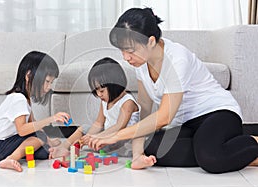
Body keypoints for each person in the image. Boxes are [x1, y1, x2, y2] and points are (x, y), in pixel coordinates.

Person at [88, 8, 258, 173]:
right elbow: (145, 111)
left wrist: (117, 135)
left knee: (210, 159)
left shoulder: (177, 59)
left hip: (217, 113)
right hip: (186, 124)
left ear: (151, 41)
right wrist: (138, 154)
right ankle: (218, 148)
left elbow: (164, 117)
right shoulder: (141, 63)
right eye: (122, 51)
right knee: (152, 147)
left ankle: (249, 144)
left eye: (130, 51)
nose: (126, 58)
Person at [49, 57, 156, 169]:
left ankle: (138, 157)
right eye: (96, 91)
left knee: (138, 136)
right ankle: (64, 147)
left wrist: (97, 136)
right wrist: (90, 136)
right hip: (107, 139)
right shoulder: (105, 101)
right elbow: (99, 123)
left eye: (101, 91)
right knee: (83, 128)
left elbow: (119, 127)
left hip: (123, 141)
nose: (99, 94)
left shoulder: (127, 102)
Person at [0, 51, 70, 172]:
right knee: (38, 139)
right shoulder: (18, 98)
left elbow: (34, 127)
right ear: (29, 76)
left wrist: (50, 142)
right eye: (47, 81)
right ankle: (10, 158)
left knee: (40, 148)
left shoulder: (26, 100)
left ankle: (49, 152)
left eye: (51, 82)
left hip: (2, 144)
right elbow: (23, 130)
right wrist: (52, 119)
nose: (49, 87)